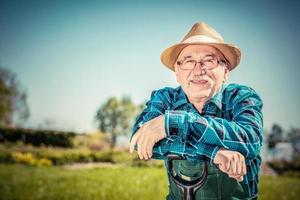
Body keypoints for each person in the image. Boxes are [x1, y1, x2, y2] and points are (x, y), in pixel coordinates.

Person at [129, 22, 263, 200]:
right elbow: (140, 142)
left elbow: (250, 140)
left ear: (225, 71)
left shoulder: (241, 97)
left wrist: (172, 123)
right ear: (177, 72)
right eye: (189, 61)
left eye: (209, 60)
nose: (198, 70)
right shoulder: (165, 98)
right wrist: (214, 153)